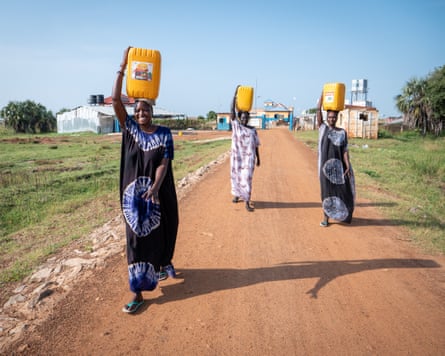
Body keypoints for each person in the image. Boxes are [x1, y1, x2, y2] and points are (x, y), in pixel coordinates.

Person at [112, 46, 179, 313]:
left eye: (145, 110)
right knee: (135, 242)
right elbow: (116, 101)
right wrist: (122, 67)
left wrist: (154, 187)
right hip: (133, 202)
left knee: (161, 233)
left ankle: (161, 265)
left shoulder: (164, 134)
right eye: (137, 111)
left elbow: (164, 162)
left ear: (152, 111)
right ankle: (138, 293)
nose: (141, 114)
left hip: (156, 195)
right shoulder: (129, 129)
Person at [316, 91, 355, 227]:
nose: (332, 119)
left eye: (334, 117)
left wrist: (348, 165)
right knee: (327, 193)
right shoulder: (322, 128)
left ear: (337, 117)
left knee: (342, 191)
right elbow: (318, 113)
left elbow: (344, 150)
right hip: (325, 170)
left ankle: (343, 214)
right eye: (330, 117)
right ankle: (326, 218)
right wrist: (322, 98)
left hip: (339, 169)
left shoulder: (342, 132)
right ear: (327, 117)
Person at [230, 85, 260, 212]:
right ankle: (237, 194)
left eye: (246, 117)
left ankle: (247, 201)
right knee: (236, 176)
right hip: (237, 157)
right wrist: (235, 95)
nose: (244, 119)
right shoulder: (236, 126)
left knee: (246, 178)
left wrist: (259, 158)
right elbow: (232, 111)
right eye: (242, 117)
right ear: (239, 118)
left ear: (248, 118)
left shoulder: (253, 130)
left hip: (249, 159)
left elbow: (256, 145)